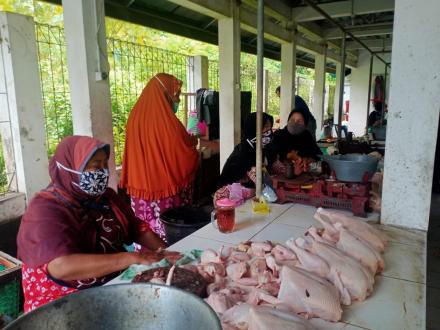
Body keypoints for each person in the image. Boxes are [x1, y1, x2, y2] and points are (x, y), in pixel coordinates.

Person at [17, 136, 180, 312]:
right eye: (95, 166)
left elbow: (137, 229)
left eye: (104, 164)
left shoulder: (106, 198)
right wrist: (131, 258)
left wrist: (167, 254)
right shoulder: (45, 209)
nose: (101, 172)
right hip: (63, 299)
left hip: (109, 281)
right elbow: (61, 267)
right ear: (70, 167)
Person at [120, 73, 199, 241]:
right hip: (165, 189)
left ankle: (147, 257)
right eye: (175, 95)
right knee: (169, 231)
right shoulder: (167, 121)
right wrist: (193, 144)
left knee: (144, 231)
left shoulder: (134, 116)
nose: (177, 100)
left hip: (140, 188)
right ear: (165, 94)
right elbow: (183, 152)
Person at [216, 113, 274, 197]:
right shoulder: (241, 154)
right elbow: (234, 184)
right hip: (231, 199)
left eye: (270, 127)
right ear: (252, 129)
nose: (269, 131)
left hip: (253, 197)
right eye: (265, 127)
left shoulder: (260, 148)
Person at [271, 108, 322, 175]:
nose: (295, 123)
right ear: (288, 121)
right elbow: (272, 163)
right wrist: (290, 161)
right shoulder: (278, 135)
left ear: (305, 125)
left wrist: (308, 161)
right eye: (292, 120)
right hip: (282, 177)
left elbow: (318, 157)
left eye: (299, 121)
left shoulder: (306, 136)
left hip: (305, 177)